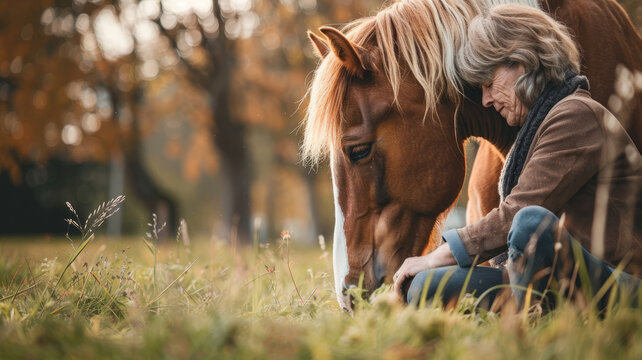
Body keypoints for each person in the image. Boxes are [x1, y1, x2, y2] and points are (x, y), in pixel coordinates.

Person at [392, 4, 642, 309]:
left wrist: (435, 256)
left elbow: (516, 214)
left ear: (521, 62)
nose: (485, 100)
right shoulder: (537, 128)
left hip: (616, 283)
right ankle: (536, 310)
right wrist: (428, 268)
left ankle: (529, 325)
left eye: (488, 83)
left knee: (529, 223)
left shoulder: (577, 115)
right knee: (425, 286)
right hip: (553, 278)